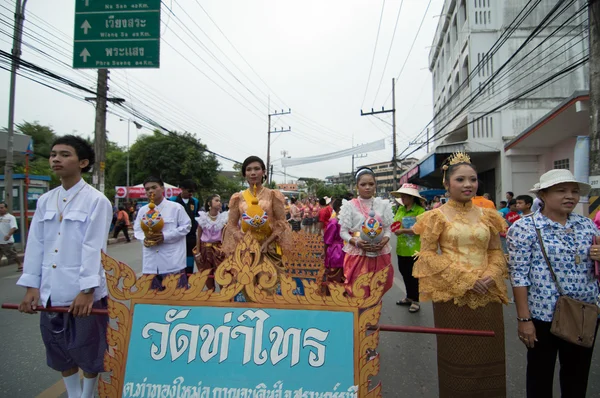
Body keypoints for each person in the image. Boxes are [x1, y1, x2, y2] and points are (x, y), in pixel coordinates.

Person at [17, 135, 112, 398]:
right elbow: (35, 244)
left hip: (82, 292)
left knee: (89, 348)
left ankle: (88, 394)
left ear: (82, 162)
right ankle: (73, 394)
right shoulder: (46, 200)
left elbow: (95, 249)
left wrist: (87, 290)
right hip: (50, 291)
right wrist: (31, 286)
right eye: (53, 154)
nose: (56, 159)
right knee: (58, 349)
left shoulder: (96, 200)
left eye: (64, 154)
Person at [412, 152, 508, 397]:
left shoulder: (489, 215)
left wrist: (490, 275)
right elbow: (428, 255)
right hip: (452, 295)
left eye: (473, 180)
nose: (468, 185)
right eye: (461, 180)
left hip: (487, 295)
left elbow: (496, 251)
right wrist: (467, 280)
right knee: (457, 360)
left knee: (490, 356)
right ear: (447, 183)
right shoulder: (436, 217)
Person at [507, 169, 600, 398]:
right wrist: (524, 320)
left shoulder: (587, 226)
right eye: (561, 190)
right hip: (542, 316)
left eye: (574, 191)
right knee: (540, 377)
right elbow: (519, 275)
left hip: (583, 312)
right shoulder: (524, 228)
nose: (570, 196)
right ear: (543, 195)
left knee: (577, 378)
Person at [222, 156, 292, 296]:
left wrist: (268, 241)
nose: (253, 172)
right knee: (247, 291)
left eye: (256, 169)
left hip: (267, 248)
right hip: (245, 250)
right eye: (249, 169)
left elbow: (281, 223)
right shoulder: (238, 197)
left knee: (268, 290)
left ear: (263, 172)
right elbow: (231, 224)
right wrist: (240, 237)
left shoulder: (273, 195)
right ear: (244, 174)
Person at [339, 167, 394, 298]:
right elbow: (343, 232)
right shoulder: (349, 205)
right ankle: (359, 316)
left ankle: (372, 316)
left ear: (375, 185)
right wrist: (357, 243)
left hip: (379, 252)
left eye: (371, 184)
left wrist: (384, 241)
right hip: (357, 253)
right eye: (363, 184)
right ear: (357, 186)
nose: (367, 187)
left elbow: (387, 229)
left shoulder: (383, 204)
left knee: (377, 289)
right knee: (358, 290)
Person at [134, 176, 191, 290]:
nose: (150, 191)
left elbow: (186, 226)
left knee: (177, 300)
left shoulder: (176, 208)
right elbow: (137, 230)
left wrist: (165, 236)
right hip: (150, 264)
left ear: (162, 188)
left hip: (172, 262)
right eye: (147, 189)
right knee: (153, 301)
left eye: (154, 187)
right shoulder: (143, 210)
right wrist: (144, 239)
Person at [390, 184, 426, 313]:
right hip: (401, 248)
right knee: (404, 273)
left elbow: (421, 229)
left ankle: (416, 300)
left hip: (414, 249)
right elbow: (395, 223)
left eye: (405, 196)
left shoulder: (420, 211)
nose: (402, 198)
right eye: (402, 196)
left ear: (412, 197)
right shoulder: (400, 210)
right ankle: (409, 297)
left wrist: (403, 230)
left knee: (414, 276)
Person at [195, 194, 228, 290]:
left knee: (222, 273)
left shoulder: (223, 218)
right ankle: (210, 293)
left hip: (218, 248)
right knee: (206, 274)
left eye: (220, 201)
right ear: (209, 203)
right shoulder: (203, 218)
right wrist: (198, 252)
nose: (219, 203)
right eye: (216, 200)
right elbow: (199, 235)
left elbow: (225, 235)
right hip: (204, 248)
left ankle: (224, 296)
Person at [170, 179, 199, 274]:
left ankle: (188, 279)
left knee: (189, 259)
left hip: (191, 236)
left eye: (193, 192)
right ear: (182, 189)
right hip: (178, 235)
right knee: (177, 259)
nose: (191, 193)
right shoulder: (172, 201)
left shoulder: (195, 202)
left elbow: (197, 217)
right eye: (189, 191)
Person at [322, 198, 345, 293]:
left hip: (335, 250)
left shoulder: (334, 221)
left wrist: (324, 253)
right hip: (344, 249)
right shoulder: (346, 221)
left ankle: (332, 297)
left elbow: (327, 240)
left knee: (333, 276)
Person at [0, 202, 22, 272]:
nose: (0, 209)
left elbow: (14, 227)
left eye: (2, 208)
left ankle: (20, 264)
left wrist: (9, 235)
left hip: (6, 241)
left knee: (12, 255)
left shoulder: (10, 217)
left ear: (6, 208)